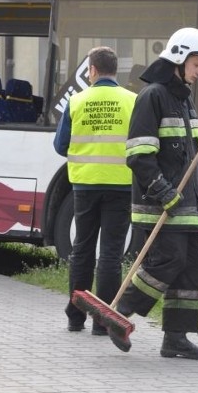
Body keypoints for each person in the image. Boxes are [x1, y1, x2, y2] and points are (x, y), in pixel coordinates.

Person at [110, 27, 198, 360]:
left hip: (186, 206)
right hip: (160, 206)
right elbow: (139, 156)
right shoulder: (152, 96)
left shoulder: (184, 102)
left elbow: (191, 156)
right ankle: (119, 314)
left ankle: (175, 338)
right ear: (180, 58)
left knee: (192, 269)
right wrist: (163, 191)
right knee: (168, 261)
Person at [53, 46, 137, 336]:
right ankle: (104, 322)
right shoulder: (132, 101)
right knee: (112, 253)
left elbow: (60, 146)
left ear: (91, 70)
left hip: (85, 185)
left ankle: (76, 317)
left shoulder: (76, 101)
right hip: (121, 185)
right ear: (116, 71)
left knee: (82, 250)